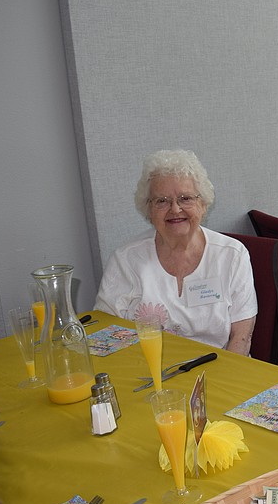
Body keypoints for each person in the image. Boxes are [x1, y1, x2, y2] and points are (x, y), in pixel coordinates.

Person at [95, 149, 257, 354]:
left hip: (218, 366)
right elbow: (105, 332)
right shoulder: (126, 259)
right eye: (162, 201)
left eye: (185, 198)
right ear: (148, 209)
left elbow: (241, 338)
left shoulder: (232, 255)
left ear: (203, 204)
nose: (175, 209)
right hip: (146, 369)